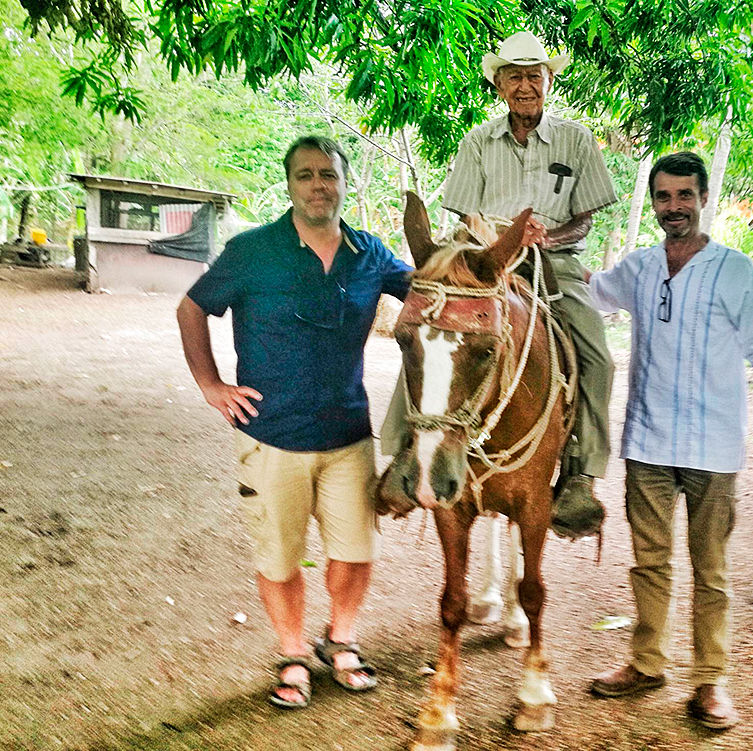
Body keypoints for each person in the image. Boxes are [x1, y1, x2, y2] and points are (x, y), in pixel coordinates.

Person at [176, 136, 412, 708]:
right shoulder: (252, 249)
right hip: (270, 434)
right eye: (305, 174)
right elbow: (191, 307)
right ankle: (292, 653)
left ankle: (342, 640)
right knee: (279, 557)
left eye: (328, 174)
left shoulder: (370, 253)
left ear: (344, 182)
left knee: (356, 551)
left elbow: (429, 293)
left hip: (349, 434)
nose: (317, 185)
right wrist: (211, 385)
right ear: (289, 184)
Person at [379, 30, 617, 538]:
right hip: (483, 259)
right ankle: (403, 453)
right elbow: (465, 213)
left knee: (599, 356)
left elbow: (585, 221)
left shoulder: (576, 140)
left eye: (535, 75)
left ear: (548, 80)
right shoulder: (477, 142)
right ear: (500, 84)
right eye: (515, 76)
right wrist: (490, 241)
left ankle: (580, 473)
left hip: (553, 261)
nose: (525, 85)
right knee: (427, 330)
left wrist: (549, 237)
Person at [586, 152, 753, 730]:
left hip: (712, 446)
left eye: (684, 195)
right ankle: (647, 664)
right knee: (649, 562)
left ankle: (711, 681)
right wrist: (542, 252)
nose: (674, 207)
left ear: (702, 199)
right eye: (664, 197)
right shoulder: (641, 267)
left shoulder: (734, 269)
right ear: (653, 203)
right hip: (647, 442)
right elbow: (594, 292)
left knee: (711, 569)